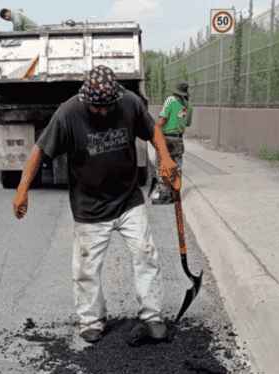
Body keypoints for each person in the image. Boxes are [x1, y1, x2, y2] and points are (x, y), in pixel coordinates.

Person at [12, 65, 181, 344]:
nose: (102, 112)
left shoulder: (129, 102)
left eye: (107, 107)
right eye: (96, 107)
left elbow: (153, 131)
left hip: (128, 199)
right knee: (86, 269)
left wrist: (166, 158)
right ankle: (92, 320)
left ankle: (152, 316)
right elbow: (39, 151)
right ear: (85, 99)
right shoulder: (68, 113)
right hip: (89, 206)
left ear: (116, 97)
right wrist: (22, 189)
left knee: (146, 255)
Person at [150, 82, 193, 205]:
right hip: (178, 140)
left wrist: (155, 131)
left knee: (161, 166)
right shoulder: (189, 104)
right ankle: (175, 195)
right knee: (177, 167)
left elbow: (163, 119)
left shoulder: (171, 100)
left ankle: (164, 195)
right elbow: (188, 123)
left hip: (166, 139)